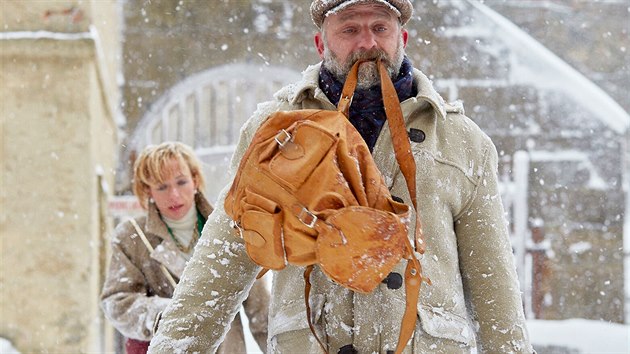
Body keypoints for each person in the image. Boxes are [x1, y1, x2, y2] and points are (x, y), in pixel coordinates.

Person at [149, 1, 534, 353]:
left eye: (380, 28)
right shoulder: (272, 132)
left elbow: (493, 287)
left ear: (402, 38)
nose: (368, 42)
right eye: (349, 29)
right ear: (321, 43)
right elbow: (223, 259)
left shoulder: (463, 142)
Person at [100, 142, 269, 354]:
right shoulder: (131, 237)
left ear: (195, 180)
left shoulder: (230, 228)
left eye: (181, 182)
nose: (174, 195)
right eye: (162, 187)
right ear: (148, 191)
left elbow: (261, 315)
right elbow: (117, 302)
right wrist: (167, 315)